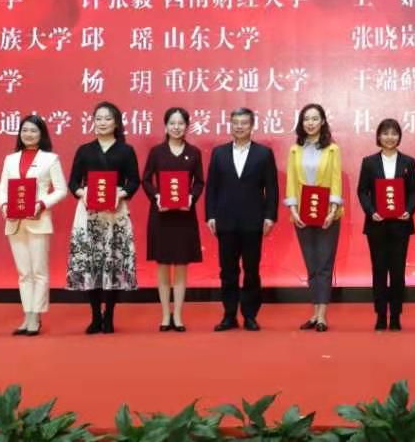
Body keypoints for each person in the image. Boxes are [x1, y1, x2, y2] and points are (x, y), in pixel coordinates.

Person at [66, 101, 141, 334]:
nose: (102, 122)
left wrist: (121, 194)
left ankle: (109, 315)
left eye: (107, 118)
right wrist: (82, 193)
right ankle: (95, 316)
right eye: (98, 118)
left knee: (113, 262)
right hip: (89, 213)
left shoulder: (125, 150)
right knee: (92, 263)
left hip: (115, 213)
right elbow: (73, 182)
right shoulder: (84, 150)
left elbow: (134, 181)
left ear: (116, 123)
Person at [205, 107, 279, 331]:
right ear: (231, 125)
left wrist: (270, 216)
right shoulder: (219, 153)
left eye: (244, 123)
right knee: (227, 271)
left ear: (252, 126)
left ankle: (250, 315)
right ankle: (229, 315)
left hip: (253, 221)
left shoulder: (263, 153)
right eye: (235, 122)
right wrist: (210, 215)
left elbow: (272, 188)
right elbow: (212, 187)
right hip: (225, 220)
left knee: (251, 270)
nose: (239, 126)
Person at [0, 114, 67, 336]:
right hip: (14, 221)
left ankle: (36, 316)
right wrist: (5, 207)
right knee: (23, 272)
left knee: (39, 271)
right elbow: (2, 190)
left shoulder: (50, 159)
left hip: (39, 220)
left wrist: (42, 204)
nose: (28, 134)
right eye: (25, 130)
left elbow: (61, 190)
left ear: (42, 134)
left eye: (33, 131)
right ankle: (26, 315)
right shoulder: (10, 159)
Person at [141, 107, 205, 332]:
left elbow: (199, 182)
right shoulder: (156, 152)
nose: (176, 127)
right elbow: (146, 180)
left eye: (181, 123)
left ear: (187, 126)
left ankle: (177, 314)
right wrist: (157, 196)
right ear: (166, 126)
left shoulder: (194, 152)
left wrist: (191, 197)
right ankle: (164, 314)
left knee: (181, 265)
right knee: (162, 265)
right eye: (172, 123)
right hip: (161, 215)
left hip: (184, 216)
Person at [285, 104, 344, 332]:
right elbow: (291, 180)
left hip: (327, 213)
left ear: (322, 122)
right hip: (302, 213)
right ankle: (314, 312)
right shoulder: (295, 150)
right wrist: (292, 209)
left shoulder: (332, 149)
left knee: (324, 265)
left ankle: (322, 316)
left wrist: (332, 210)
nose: (310, 123)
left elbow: (336, 179)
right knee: (311, 265)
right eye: (306, 119)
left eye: (314, 118)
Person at [357, 119, 415, 331]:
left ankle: (396, 315)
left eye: (394, 133)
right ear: (378, 136)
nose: (390, 137)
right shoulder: (369, 162)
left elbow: (414, 191)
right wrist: (371, 211)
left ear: (399, 136)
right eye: (385, 133)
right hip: (377, 224)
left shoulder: (408, 162)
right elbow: (362, 191)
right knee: (379, 270)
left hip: (401, 225)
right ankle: (381, 314)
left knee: (398, 271)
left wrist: (409, 210)